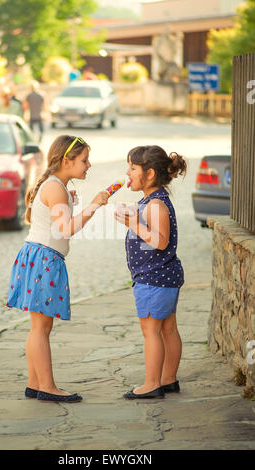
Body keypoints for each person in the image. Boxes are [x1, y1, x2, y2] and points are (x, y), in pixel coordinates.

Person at [6, 135, 109, 403]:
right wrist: (94, 205)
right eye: (84, 160)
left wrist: (70, 200)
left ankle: (34, 383)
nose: (88, 165)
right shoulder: (56, 188)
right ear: (67, 160)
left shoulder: (56, 186)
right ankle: (47, 387)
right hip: (45, 260)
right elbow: (67, 228)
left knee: (37, 327)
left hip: (37, 255)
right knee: (41, 329)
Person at [115, 145, 187, 400]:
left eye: (133, 168)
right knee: (167, 329)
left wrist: (133, 223)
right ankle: (168, 379)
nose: (128, 172)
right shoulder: (152, 201)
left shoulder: (156, 203)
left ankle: (152, 383)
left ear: (150, 174)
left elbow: (160, 241)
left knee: (151, 331)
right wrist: (133, 215)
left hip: (154, 278)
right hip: (161, 277)